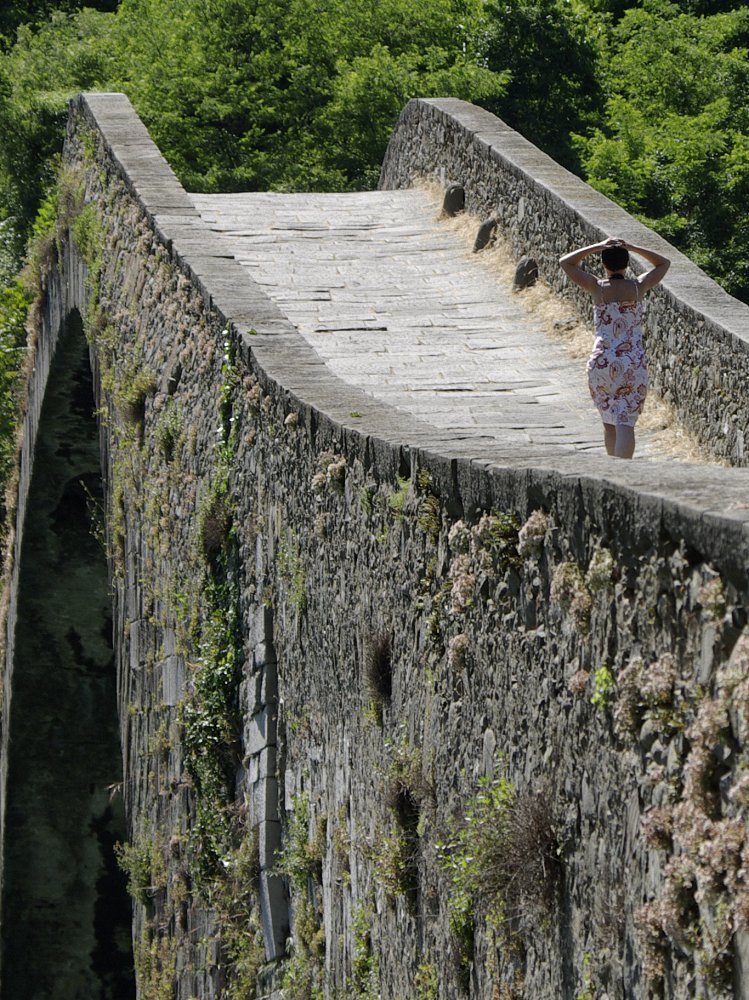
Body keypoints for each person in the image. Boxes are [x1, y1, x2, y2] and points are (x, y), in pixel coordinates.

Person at [559, 237, 670, 459]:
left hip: (601, 361)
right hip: (631, 362)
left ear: (603, 264)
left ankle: (612, 473)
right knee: (625, 421)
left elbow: (566, 262)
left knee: (609, 421)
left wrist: (598, 247)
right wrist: (633, 246)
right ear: (627, 263)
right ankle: (624, 473)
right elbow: (663, 263)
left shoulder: (597, 288)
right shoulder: (638, 287)